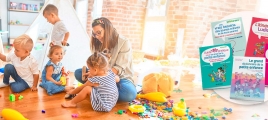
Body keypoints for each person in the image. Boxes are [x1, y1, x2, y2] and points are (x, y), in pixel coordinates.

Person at [74, 17, 137, 102]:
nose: (97, 37)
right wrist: (93, 72)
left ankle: (98, 90)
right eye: (94, 34)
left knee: (129, 94)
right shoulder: (98, 43)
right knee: (78, 72)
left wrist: (97, 76)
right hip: (100, 75)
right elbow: (95, 62)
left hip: (121, 79)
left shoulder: (124, 42)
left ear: (108, 29)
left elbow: (118, 69)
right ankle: (105, 92)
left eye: (99, 33)